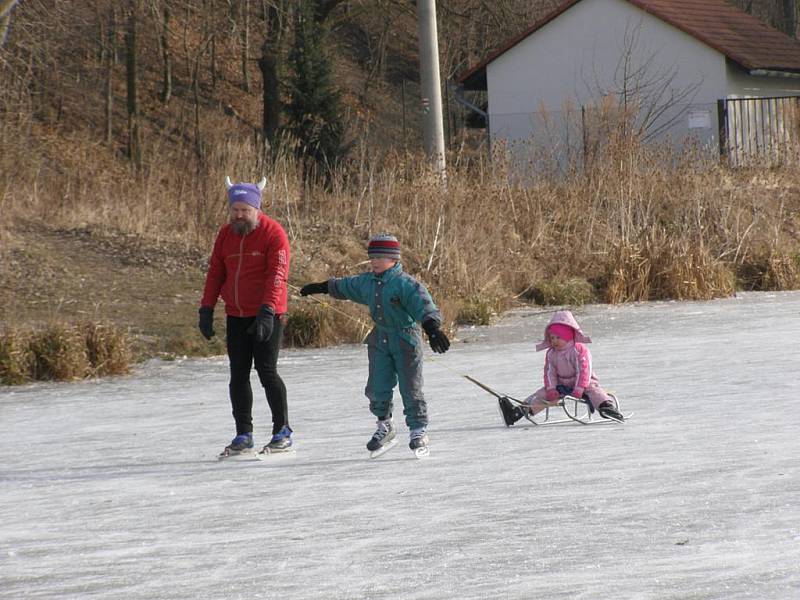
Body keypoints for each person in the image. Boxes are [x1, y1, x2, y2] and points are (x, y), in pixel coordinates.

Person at [299, 234, 450, 456]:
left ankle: (418, 430)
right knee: (377, 386)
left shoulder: (405, 284)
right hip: (379, 340)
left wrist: (432, 328)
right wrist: (321, 287)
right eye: (372, 257)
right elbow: (346, 285)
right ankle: (385, 425)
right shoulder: (367, 281)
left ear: (393, 259)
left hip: (406, 340)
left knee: (411, 387)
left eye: (380, 257)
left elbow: (424, 305)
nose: (375, 261)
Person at [198, 176, 292, 456]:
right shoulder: (226, 235)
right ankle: (244, 433)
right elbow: (216, 271)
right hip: (236, 314)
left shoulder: (274, 234)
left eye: (245, 210)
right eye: (235, 210)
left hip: (267, 314)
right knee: (238, 375)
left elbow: (278, 275)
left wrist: (267, 311)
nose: (239, 215)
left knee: (267, 371)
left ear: (257, 209)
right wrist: (206, 307)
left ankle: (282, 430)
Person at [499, 310, 624, 425]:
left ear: (567, 335)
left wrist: (580, 388)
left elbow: (584, 370)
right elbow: (549, 373)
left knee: (594, 390)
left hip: (583, 383)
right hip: (562, 383)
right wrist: (552, 388)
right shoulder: (551, 353)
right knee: (542, 394)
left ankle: (606, 407)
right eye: (552, 338)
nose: (554, 341)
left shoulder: (579, 350)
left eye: (558, 337)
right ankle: (518, 412)